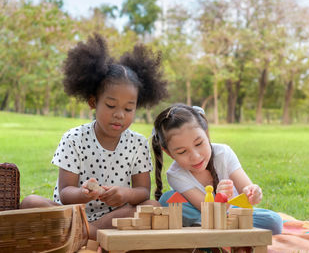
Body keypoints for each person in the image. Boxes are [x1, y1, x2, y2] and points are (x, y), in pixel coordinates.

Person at [21, 33, 168, 240]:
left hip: (115, 216)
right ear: (93, 102)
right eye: (110, 105)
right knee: (30, 203)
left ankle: (85, 233)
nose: (119, 114)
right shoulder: (74, 138)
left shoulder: (137, 143)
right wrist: (84, 194)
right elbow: (65, 193)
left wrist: (125, 194)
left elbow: (143, 190)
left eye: (128, 108)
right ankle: (92, 232)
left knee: (152, 206)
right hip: (72, 214)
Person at [151, 104, 283, 236]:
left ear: (206, 134)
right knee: (167, 200)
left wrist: (254, 192)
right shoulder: (175, 174)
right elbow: (210, 211)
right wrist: (220, 200)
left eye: (199, 144)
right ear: (169, 153)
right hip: (205, 213)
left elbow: (247, 190)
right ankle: (221, 231)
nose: (195, 156)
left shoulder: (224, 153)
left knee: (274, 221)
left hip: (234, 213)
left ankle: (209, 232)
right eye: (182, 151)